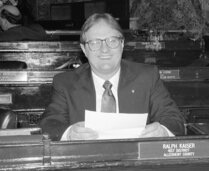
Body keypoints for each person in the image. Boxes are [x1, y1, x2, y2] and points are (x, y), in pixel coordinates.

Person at [39, 13, 185, 141]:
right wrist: (69, 133)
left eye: (112, 41)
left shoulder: (147, 77)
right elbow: (50, 122)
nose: (104, 49)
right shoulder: (65, 83)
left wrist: (162, 131)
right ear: (84, 49)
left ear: (122, 44)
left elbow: (173, 118)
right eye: (95, 42)